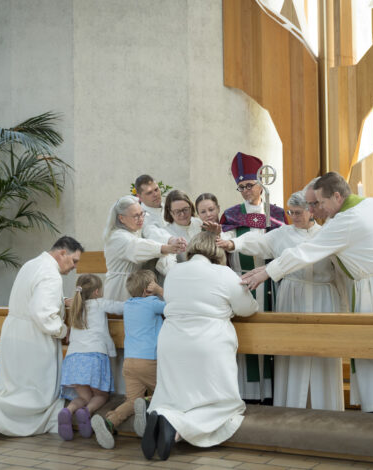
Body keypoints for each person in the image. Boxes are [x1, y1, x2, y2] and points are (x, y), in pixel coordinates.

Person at [241, 172, 373, 415]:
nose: (316, 210)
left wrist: (268, 271)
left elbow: (307, 251)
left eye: (319, 203)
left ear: (337, 196)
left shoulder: (344, 222)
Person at [218, 191, 344, 411]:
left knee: (323, 352)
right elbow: (257, 242)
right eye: (290, 212)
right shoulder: (282, 234)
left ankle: (325, 408)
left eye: (298, 212)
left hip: (323, 297)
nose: (293, 216)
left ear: (311, 211)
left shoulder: (326, 234)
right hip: (292, 296)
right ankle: (292, 406)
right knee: (291, 350)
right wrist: (233, 245)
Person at [140, 232, 259, 461]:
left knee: (176, 395)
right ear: (218, 251)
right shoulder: (224, 273)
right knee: (222, 404)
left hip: (171, 341)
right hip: (208, 342)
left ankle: (166, 416)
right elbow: (247, 308)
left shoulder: (174, 272)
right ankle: (175, 425)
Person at [0, 236, 83, 438]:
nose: (74, 267)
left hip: (14, 332)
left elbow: (33, 297)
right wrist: (63, 331)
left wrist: (62, 300)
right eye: (74, 261)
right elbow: (42, 313)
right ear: (62, 253)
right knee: (38, 394)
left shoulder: (32, 264)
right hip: (34, 338)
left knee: (16, 388)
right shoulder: (51, 275)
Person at [219, 152, 287, 404]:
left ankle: (272, 394)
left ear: (262, 184)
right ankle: (248, 395)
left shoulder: (278, 213)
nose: (246, 191)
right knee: (247, 339)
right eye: (241, 187)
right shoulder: (230, 215)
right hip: (241, 282)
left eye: (249, 185)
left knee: (271, 337)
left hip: (274, 283)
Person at [91, 270, 165, 449]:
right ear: (149, 289)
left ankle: (109, 423)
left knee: (131, 401)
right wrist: (161, 291)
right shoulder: (153, 303)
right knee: (167, 393)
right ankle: (146, 403)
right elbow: (175, 306)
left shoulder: (129, 305)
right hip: (149, 361)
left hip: (130, 362)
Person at [57, 274, 124, 442]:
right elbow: (121, 307)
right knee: (101, 395)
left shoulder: (75, 306)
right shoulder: (100, 303)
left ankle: (69, 411)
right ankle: (86, 413)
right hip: (94, 356)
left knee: (83, 397)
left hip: (74, 358)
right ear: (96, 291)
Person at [103, 195, 181, 302]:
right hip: (119, 290)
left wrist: (170, 241)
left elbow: (152, 232)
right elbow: (137, 246)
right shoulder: (117, 236)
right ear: (121, 218)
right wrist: (166, 248)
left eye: (142, 214)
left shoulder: (134, 230)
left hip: (136, 287)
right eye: (136, 216)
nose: (141, 219)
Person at [163, 189, 202, 262]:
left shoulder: (199, 223)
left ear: (191, 207)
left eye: (185, 209)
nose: (182, 214)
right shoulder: (166, 233)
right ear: (170, 212)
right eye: (177, 211)